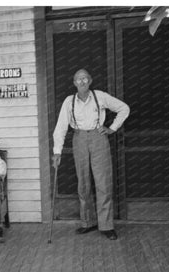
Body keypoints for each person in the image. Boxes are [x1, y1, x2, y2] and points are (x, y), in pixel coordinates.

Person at [52, 69, 130, 240]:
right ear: (74, 83)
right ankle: (88, 222)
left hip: (98, 139)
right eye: (78, 79)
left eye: (85, 78)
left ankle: (107, 226)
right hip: (79, 139)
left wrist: (112, 128)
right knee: (83, 183)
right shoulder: (69, 101)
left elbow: (124, 108)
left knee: (103, 183)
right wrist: (57, 152)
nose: (82, 82)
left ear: (90, 81)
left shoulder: (100, 96)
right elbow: (61, 127)